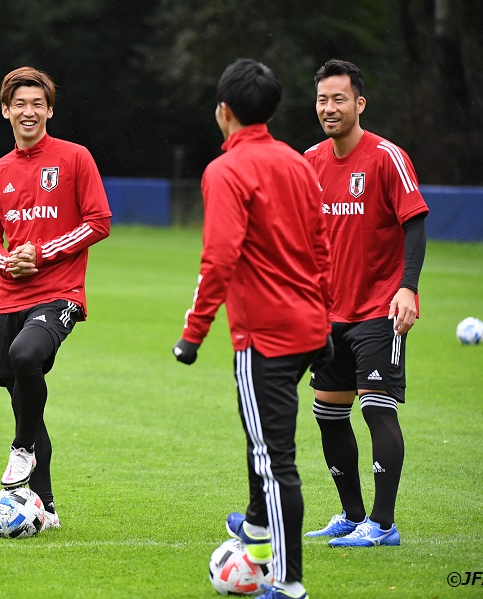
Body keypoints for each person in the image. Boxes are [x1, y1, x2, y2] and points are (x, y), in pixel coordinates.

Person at [172, 59, 333, 599]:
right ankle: (258, 532)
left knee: (274, 458)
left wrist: (192, 336)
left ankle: (286, 584)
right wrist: (326, 315)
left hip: (266, 336)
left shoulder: (225, 171)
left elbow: (217, 260)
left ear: (223, 111)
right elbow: (321, 248)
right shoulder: (296, 163)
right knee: (261, 439)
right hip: (310, 328)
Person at [0, 66, 111, 530]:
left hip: (61, 292)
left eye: (37, 104)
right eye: (20, 104)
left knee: (25, 356)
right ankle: (46, 507)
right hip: (9, 298)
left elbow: (99, 221)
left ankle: (20, 450)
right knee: (23, 402)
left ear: (50, 110)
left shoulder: (74, 158)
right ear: (6, 111)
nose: (28, 111)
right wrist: (6, 261)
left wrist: (43, 252)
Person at [303, 59, 428, 548]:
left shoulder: (386, 158)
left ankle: (383, 523)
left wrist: (408, 287)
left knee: (377, 410)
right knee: (328, 413)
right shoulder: (309, 161)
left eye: (338, 99)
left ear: (359, 103)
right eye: (322, 100)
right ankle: (352, 515)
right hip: (327, 313)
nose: (329, 108)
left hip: (379, 308)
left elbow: (414, 221)